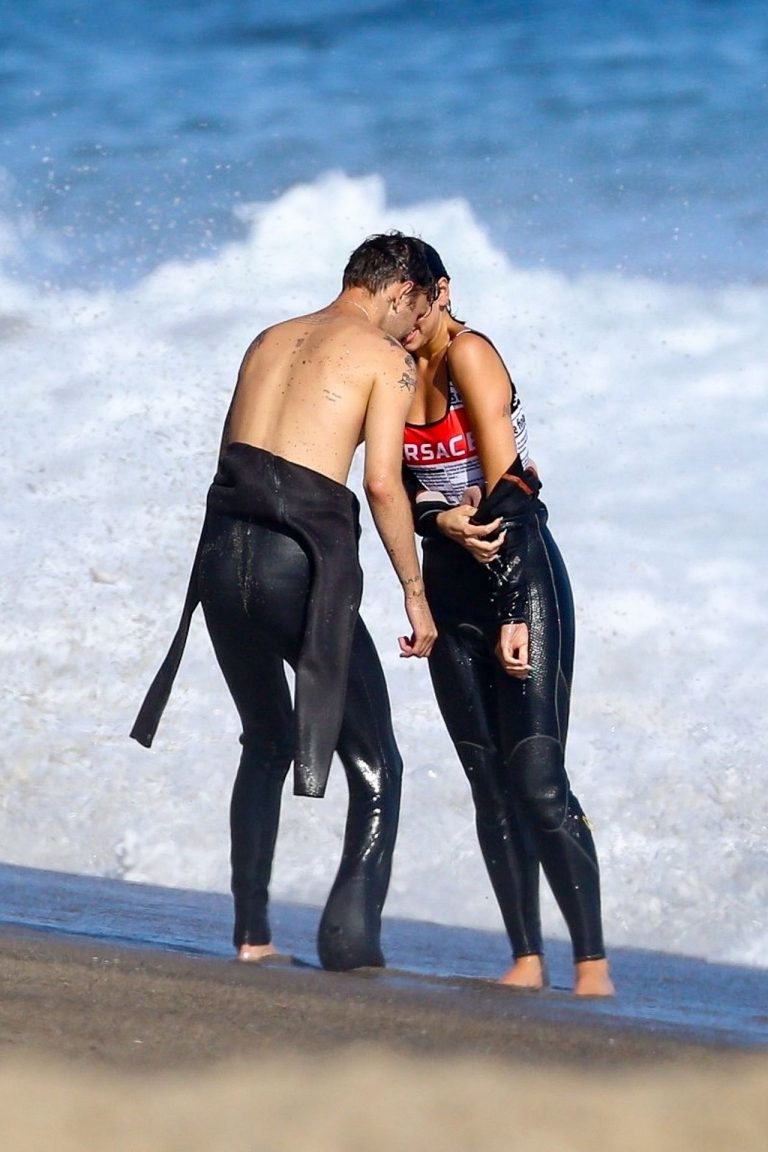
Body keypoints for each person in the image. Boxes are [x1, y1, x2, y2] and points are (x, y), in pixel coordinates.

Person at [130, 232, 437, 972]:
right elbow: (382, 483)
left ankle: (252, 936)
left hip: (221, 558)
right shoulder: (386, 359)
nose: (417, 329)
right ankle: (350, 942)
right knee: (378, 764)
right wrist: (414, 591)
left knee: (265, 741)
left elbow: (232, 460)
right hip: (295, 568)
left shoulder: (268, 338)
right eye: (420, 308)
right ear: (401, 291)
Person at [400, 241, 614, 996]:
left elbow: (511, 487)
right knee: (487, 780)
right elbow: (395, 486)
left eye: (411, 304)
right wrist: (438, 523)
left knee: (537, 778)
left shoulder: (472, 355)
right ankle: (526, 959)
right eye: (391, 306)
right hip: (448, 588)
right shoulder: (392, 371)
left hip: (520, 577)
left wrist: (515, 607)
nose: (402, 321)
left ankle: (592, 965)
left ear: (440, 292)